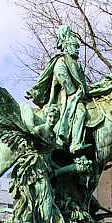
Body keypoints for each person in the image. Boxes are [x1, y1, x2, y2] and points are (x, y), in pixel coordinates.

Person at [26, 24, 91, 155]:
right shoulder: (60, 62)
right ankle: (75, 144)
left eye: (78, 47)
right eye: (75, 46)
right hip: (64, 99)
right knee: (81, 112)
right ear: (67, 46)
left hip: (78, 95)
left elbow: (83, 85)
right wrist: (78, 92)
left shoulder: (75, 64)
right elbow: (68, 86)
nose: (77, 50)